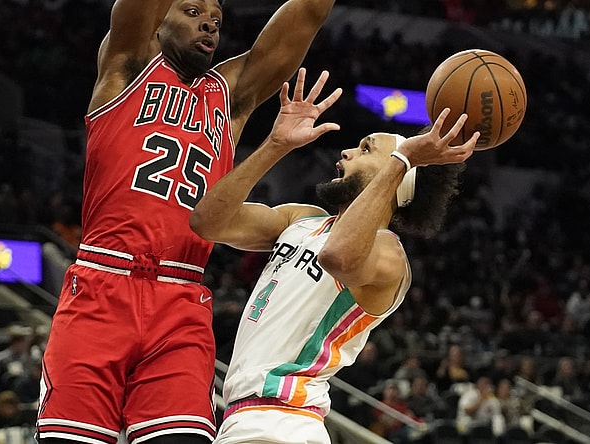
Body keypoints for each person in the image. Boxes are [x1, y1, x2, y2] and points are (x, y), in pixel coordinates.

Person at [36, 0, 337, 443]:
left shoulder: (230, 96)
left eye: (216, 19)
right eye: (193, 11)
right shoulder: (127, 68)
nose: (209, 24)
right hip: (103, 282)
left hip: (181, 298)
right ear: (160, 21)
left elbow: (308, 14)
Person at [189, 68, 478, 443]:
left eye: (366, 148)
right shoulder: (302, 219)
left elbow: (337, 257)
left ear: (397, 172)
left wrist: (404, 160)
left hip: (283, 421)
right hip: (249, 418)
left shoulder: (388, 253)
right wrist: (276, 144)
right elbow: (207, 222)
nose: (346, 151)